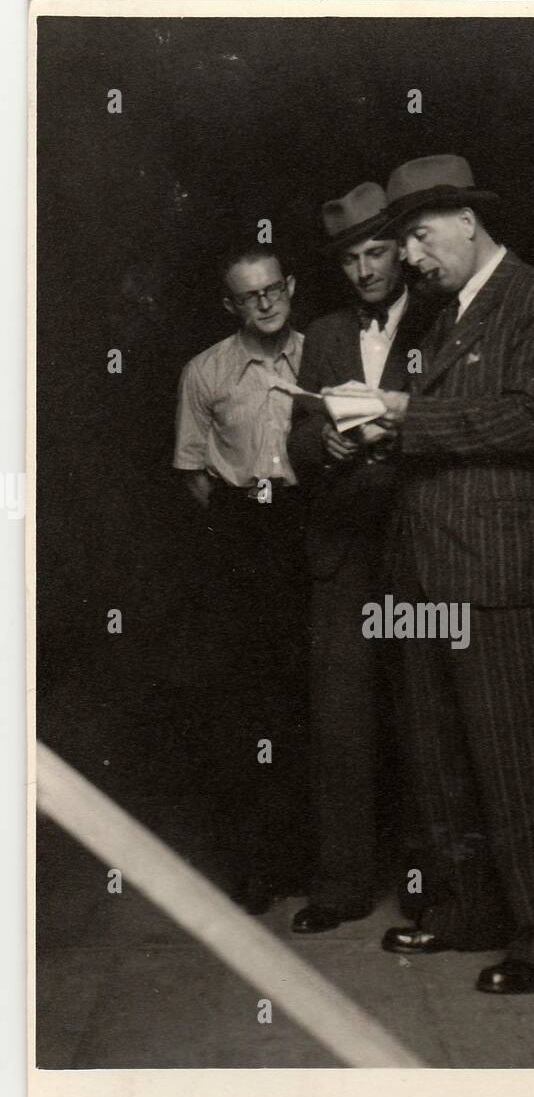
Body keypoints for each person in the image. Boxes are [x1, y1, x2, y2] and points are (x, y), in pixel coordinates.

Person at [365, 155, 534, 995]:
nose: (412, 260)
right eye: (402, 244)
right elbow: (433, 427)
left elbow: (531, 417)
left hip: (498, 573)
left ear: (468, 220)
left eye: (420, 237)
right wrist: (374, 426)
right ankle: (470, 912)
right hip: (421, 575)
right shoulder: (434, 318)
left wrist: (407, 416)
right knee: (440, 759)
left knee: (518, 762)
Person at [288, 183, 434, 934]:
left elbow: (455, 422)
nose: (365, 270)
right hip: (343, 552)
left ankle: (424, 890)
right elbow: (297, 436)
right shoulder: (323, 333)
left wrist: (396, 434)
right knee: (341, 724)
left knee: (422, 717)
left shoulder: (442, 322)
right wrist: (327, 444)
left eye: (376, 252)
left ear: (400, 253)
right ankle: (341, 887)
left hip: (419, 549)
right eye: (350, 259)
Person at [173, 241, 309, 912]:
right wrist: (244, 519)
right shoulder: (205, 371)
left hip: (311, 528)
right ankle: (255, 866)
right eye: (249, 295)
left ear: (289, 286)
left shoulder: (325, 354)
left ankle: (312, 861)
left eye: (273, 288)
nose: (265, 302)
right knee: (248, 702)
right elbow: (194, 472)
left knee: (313, 694)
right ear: (230, 305)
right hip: (241, 537)